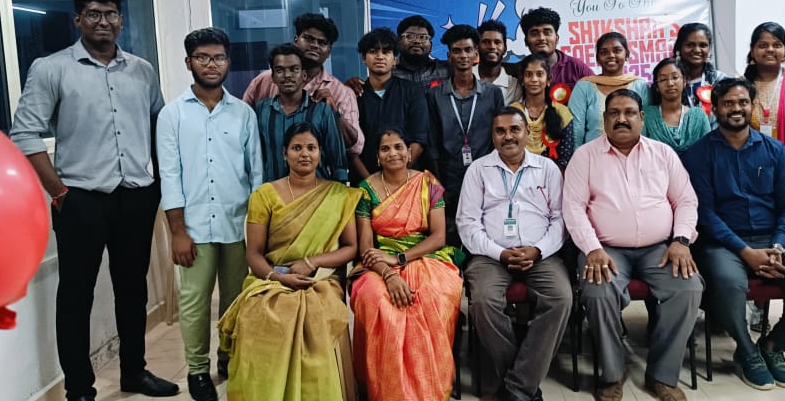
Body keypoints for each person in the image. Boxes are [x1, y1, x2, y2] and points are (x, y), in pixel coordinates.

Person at [9, 0, 178, 401]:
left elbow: (159, 127)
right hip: (79, 199)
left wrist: (158, 184)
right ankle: (79, 389)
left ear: (121, 21)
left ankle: (134, 372)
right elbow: (25, 134)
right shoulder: (51, 68)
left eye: (110, 14)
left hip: (136, 196)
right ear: (78, 19)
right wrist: (59, 192)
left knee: (133, 290)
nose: (103, 21)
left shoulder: (142, 70)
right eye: (93, 14)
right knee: (76, 295)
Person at [681, 78, 785, 391]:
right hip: (723, 244)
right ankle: (746, 350)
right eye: (728, 103)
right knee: (730, 283)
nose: (736, 109)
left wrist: (778, 246)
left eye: (742, 102)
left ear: (752, 106)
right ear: (716, 108)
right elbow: (704, 214)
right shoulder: (698, 154)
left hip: (773, 240)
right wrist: (745, 252)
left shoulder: (774, 150)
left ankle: (773, 346)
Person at [563, 89, 703, 401]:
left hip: (660, 249)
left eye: (629, 113)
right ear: (604, 119)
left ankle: (662, 375)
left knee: (688, 288)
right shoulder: (585, 156)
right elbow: (572, 208)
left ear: (641, 118)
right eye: (614, 113)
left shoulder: (663, 154)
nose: (621, 119)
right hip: (605, 250)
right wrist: (592, 248)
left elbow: (685, 200)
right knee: (597, 292)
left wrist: (681, 240)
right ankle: (613, 373)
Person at [218, 122, 362, 401]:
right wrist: (278, 277)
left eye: (311, 148)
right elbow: (254, 253)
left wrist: (311, 262)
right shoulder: (264, 195)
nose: (304, 154)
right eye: (297, 148)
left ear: (320, 153)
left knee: (314, 314)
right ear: (285, 154)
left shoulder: (339, 195)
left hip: (319, 279)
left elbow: (351, 247)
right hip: (272, 278)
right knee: (258, 315)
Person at [156, 28, 262, 401]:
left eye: (218, 57)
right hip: (194, 228)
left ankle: (228, 357)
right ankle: (198, 370)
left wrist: (257, 231)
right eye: (202, 57)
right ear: (189, 62)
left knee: (236, 299)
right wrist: (177, 232)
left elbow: (256, 174)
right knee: (195, 302)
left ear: (228, 62)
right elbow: (169, 176)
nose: (211, 64)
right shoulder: (172, 115)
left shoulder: (243, 113)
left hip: (237, 226)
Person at [456, 107, 570, 401]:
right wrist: (500, 253)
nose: (508, 136)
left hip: (540, 253)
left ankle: (515, 389)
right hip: (489, 255)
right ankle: (523, 385)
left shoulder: (547, 169)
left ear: (527, 132)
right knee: (483, 301)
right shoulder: (478, 170)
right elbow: (467, 223)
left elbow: (560, 219)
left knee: (561, 297)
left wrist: (538, 250)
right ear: (492, 135)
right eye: (500, 131)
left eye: (514, 129)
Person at [350, 129, 463, 401]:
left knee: (431, 297)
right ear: (377, 157)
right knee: (376, 300)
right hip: (378, 262)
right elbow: (366, 247)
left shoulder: (428, 183)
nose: (393, 153)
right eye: (385, 149)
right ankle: (386, 389)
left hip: (425, 257)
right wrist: (389, 274)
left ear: (409, 153)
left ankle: (428, 388)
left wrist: (401, 259)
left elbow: (438, 237)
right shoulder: (365, 190)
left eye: (398, 147)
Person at [241, 13, 362, 155]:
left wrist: (334, 113)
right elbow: (242, 128)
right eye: (309, 39)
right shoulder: (264, 81)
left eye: (322, 42)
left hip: (317, 168)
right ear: (296, 40)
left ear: (329, 51)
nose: (315, 45)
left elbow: (355, 148)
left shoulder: (342, 92)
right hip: (271, 167)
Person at [428, 24, 505, 246]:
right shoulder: (435, 95)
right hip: (448, 177)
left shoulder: (493, 94)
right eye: (457, 51)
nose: (463, 55)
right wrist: (438, 184)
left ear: (476, 54)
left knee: (486, 231)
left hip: (486, 176)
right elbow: (432, 142)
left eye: (468, 50)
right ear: (449, 56)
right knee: (452, 236)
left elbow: (500, 137)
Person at [255, 44, 348, 182]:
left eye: (294, 69)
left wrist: (341, 190)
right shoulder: (262, 110)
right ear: (273, 77)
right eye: (280, 70)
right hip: (274, 193)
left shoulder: (322, 111)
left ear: (304, 75)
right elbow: (257, 158)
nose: (287, 75)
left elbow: (338, 163)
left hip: (317, 193)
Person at [352, 28, 430, 179]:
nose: (380, 56)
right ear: (364, 58)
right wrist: (372, 184)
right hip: (364, 182)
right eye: (373, 51)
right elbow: (351, 148)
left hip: (406, 181)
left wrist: (396, 176)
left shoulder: (412, 91)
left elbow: (419, 141)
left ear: (395, 60)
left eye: (386, 52)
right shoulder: (354, 94)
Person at [569, 32, 650, 147]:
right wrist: (578, 155)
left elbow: (648, 125)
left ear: (627, 55)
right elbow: (576, 129)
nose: (611, 55)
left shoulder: (640, 86)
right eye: (604, 52)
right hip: (594, 154)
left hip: (636, 153)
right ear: (597, 58)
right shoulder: (584, 87)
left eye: (617, 50)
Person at [742, 22, 785, 149]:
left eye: (777, 45)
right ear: (752, 50)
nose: (770, 49)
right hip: (751, 156)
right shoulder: (741, 86)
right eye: (763, 45)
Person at [508, 53, 576, 169]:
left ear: (549, 79)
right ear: (522, 80)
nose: (534, 79)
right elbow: (508, 152)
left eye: (540, 74)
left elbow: (565, 159)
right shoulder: (512, 112)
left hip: (554, 175)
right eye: (528, 74)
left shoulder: (562, 113)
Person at [642, 57, 710, 156]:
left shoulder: (699, 116)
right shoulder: (646, 116)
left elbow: (709, 152)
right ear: (657, 86)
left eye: (675, 77)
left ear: (684, 81)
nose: (670, 83)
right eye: (663, 79)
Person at [519, 7, 594, 89]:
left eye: (547, 32)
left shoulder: (576, 67)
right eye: (534, 33)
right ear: (526, 40)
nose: (541, 38)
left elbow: (599, 92)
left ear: (557, 38)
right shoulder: (519, 70)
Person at [673, 23, 727, 126]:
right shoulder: (669, 81)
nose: (697, 50)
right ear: (679, 47)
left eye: (703, 45)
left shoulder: (720, 80)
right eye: (690, 45)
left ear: (709, 49)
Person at [394, 15, 452, 88]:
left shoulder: (447, 69)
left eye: (423, 37)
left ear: (431, 45)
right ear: (398, 42)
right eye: (410, 36)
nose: (417, 41)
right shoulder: (388, 72)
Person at [477, 19, 517, 101]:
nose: (492, 47)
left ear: (505, 48)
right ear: (477, 47)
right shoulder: (465, 77)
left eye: (497, 42)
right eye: (486, 42)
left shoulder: (514, 85)